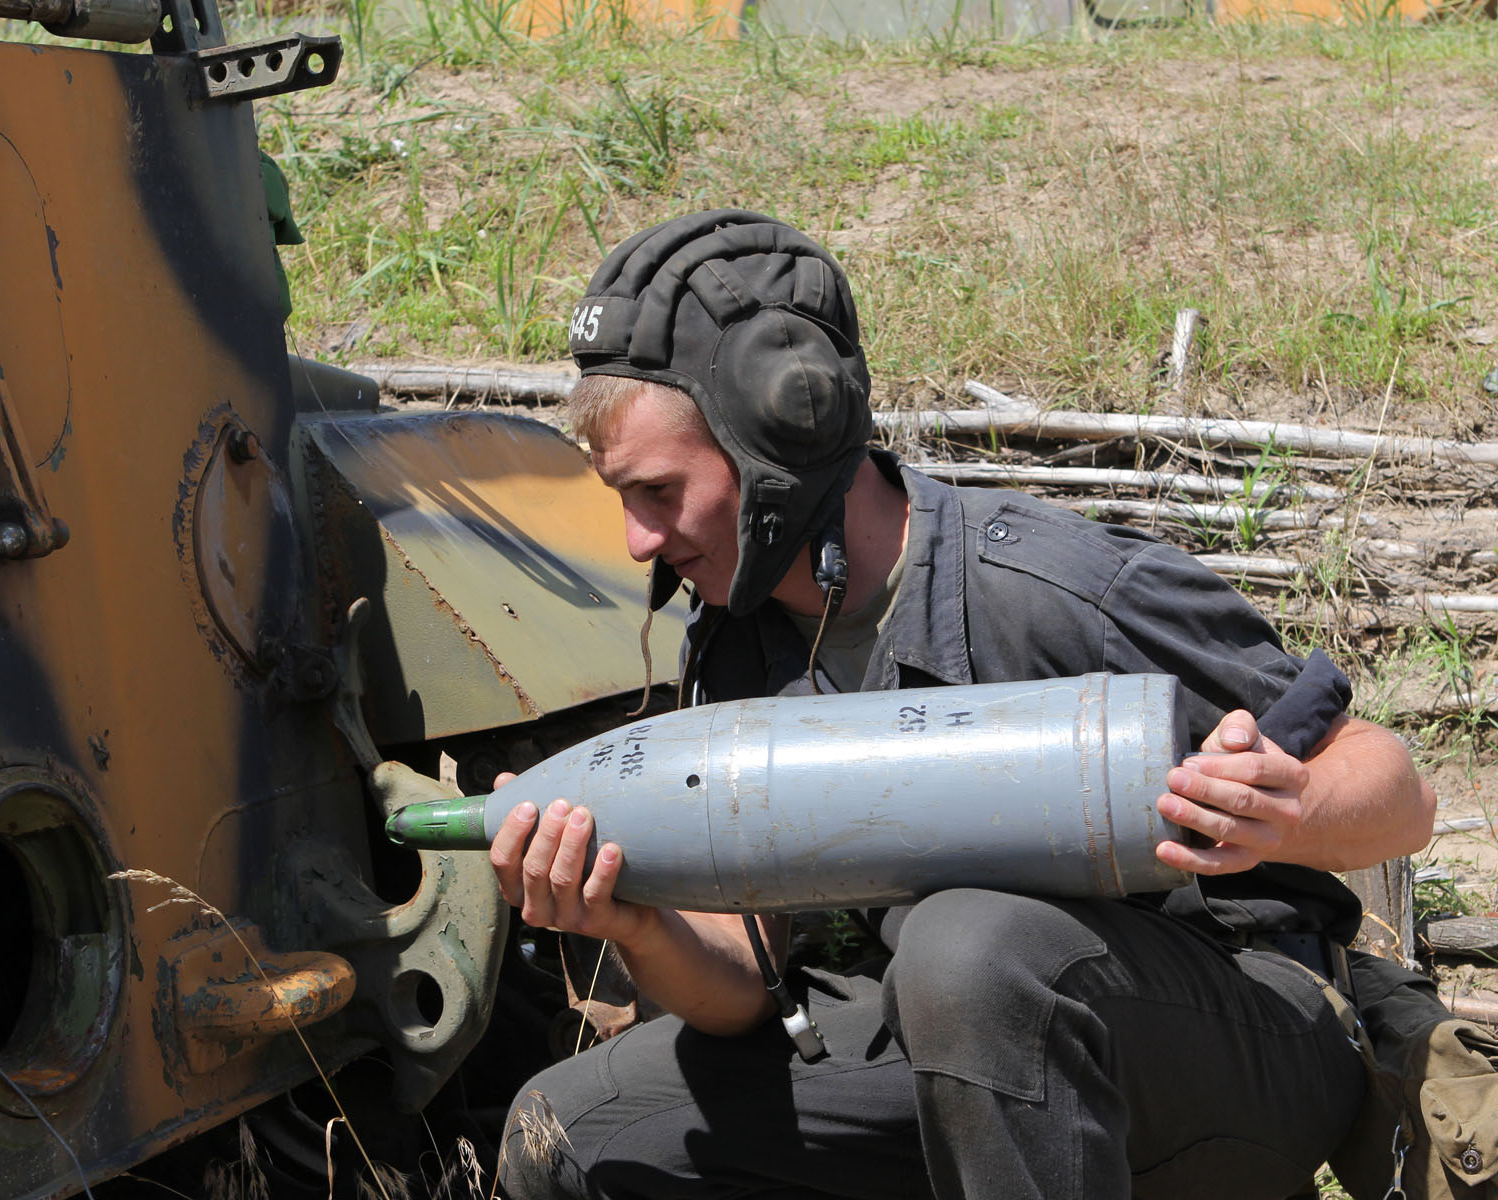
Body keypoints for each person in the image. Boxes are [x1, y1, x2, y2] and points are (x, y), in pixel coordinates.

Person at [490, 209, 1436, 1200]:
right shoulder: (737, 646)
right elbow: (741, 977)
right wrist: (636, 925)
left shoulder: (1051, 588)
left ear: (782, 433)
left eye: (658, 492)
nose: (638, 541)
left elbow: (1398, 792)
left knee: (967, 950)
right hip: (960, 1031)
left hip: (1246, 1032)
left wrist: (1286, 808)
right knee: (577, 1133)